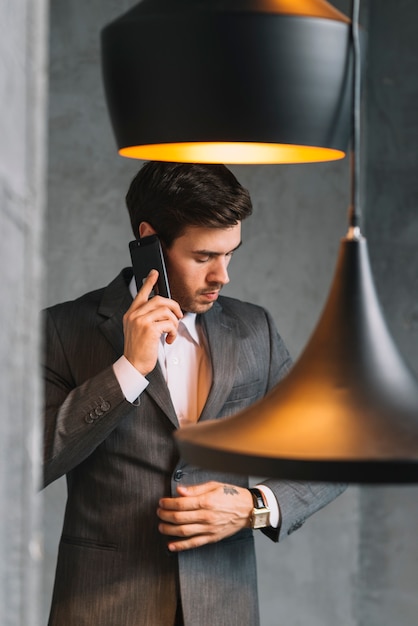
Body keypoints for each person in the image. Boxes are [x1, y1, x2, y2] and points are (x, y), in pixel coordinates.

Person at [43, 161, 345, 626]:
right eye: (204, 257)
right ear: (150, 241)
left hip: (224, 606)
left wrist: (255, 507)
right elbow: (22, 467)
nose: (222, 276)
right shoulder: (62, 330)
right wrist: (128, 370)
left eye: (230, 254)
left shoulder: (254, 329)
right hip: (102, 606)